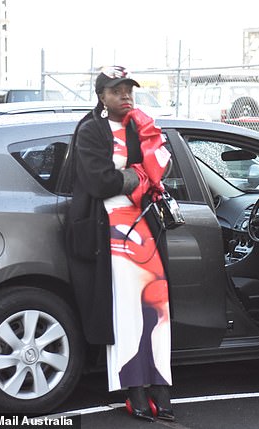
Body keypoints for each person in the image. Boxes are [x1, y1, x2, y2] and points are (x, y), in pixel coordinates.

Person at [63, 66, 175, 421]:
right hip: (107, 228)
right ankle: (134, 388)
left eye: (129, 89)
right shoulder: (90, 129)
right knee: (126, 309)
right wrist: (137, 177)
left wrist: (143, 169)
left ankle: (160, 384)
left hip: (142, 225)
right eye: (117, 90)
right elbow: (99, 182)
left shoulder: (137, 125)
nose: (126, 95)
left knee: (156, 305)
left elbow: (160, 166)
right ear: (101, 96)